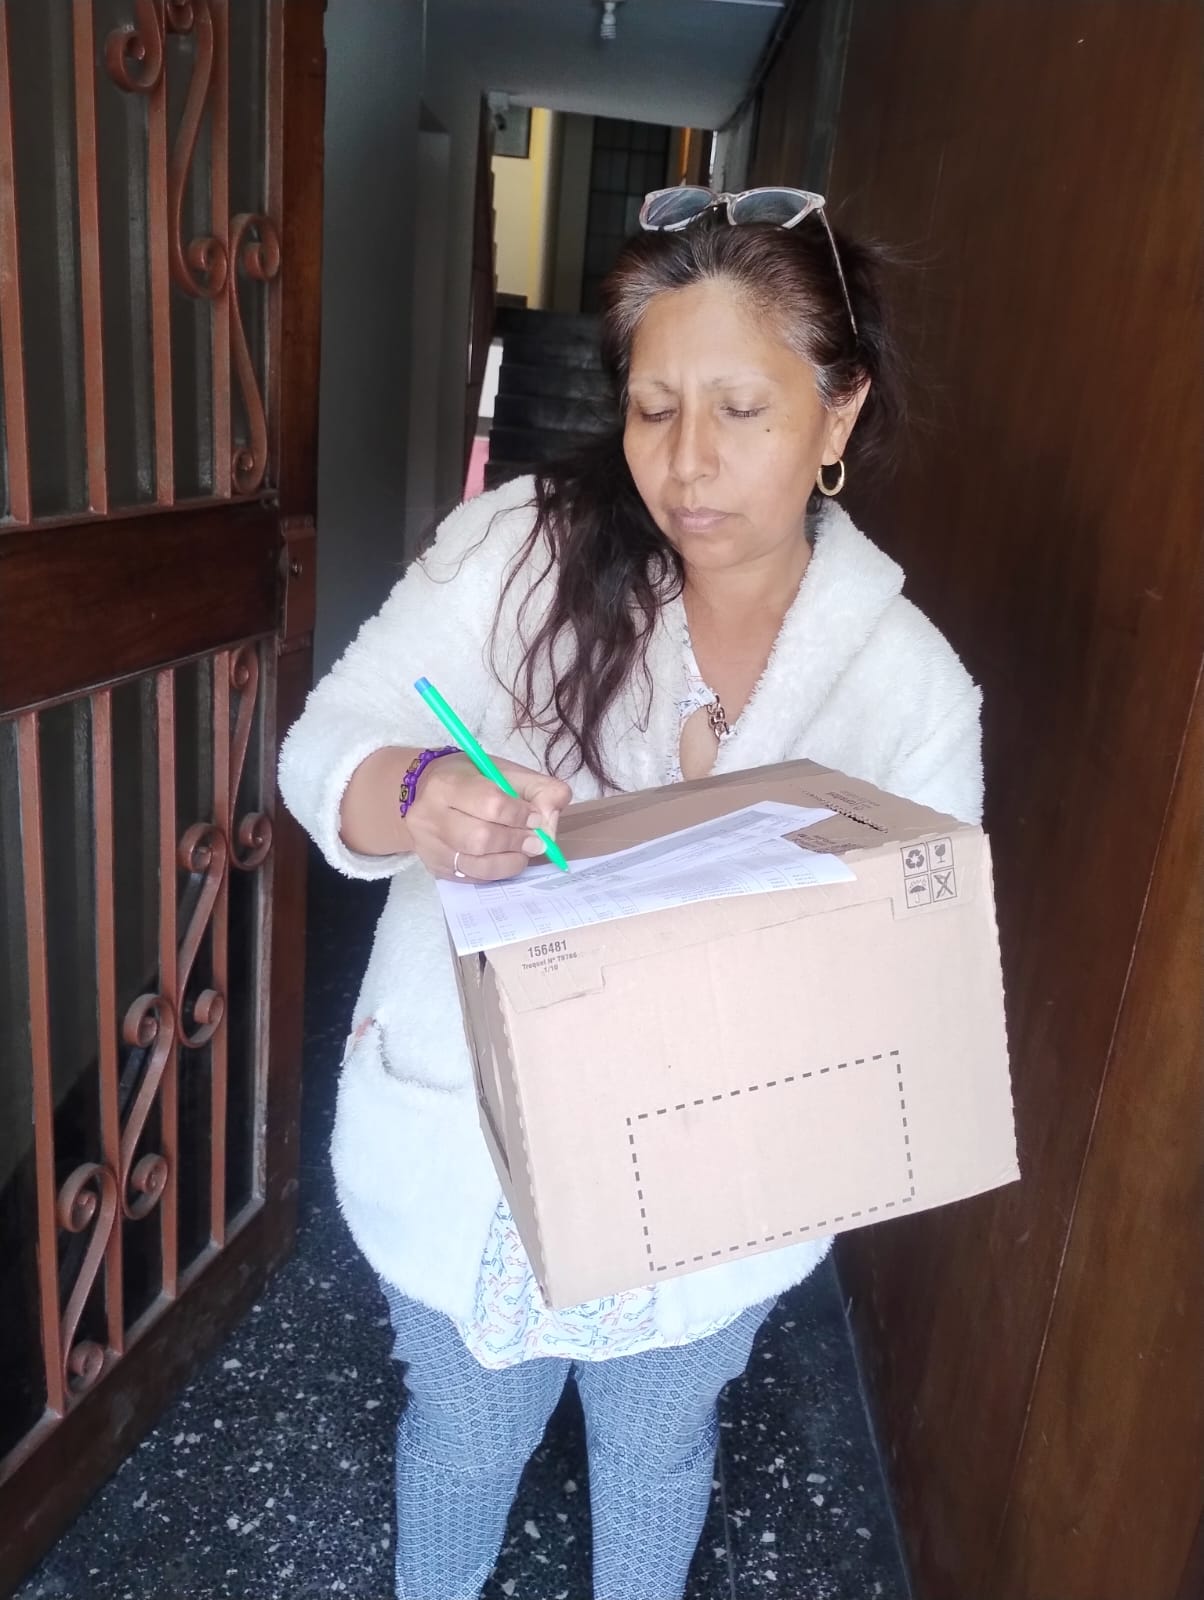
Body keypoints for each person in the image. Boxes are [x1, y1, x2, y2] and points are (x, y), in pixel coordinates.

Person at [278, 185, 982, 1600]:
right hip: (474, 1150)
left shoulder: (908, 686)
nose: (687, 463)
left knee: (658, 1447)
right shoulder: (521, 548)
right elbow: (325, 747)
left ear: (839, 413)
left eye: (742, 410)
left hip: (718, 1189)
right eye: (654, 409)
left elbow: (922, 984)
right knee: (463, 1437)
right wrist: (419, 793)